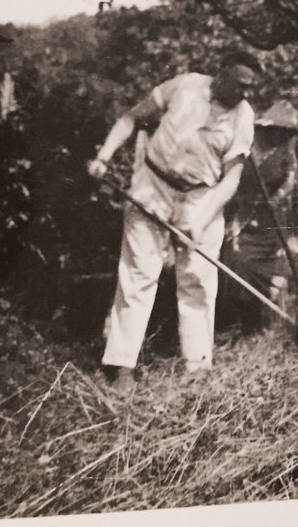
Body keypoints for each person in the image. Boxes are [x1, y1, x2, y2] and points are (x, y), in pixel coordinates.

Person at [87, 52, 261, 390]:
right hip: (153, 187)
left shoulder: (243, 117)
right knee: (139, 273)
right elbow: (132, 117)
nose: (246, 93)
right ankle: (121, 366)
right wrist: (104, 156)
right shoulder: (184, 86)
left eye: (251, 88)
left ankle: (197, 370)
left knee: (197, 280)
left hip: (203, 197)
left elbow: (230, 181)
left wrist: (199, 218)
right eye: (241, 85)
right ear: (221, 73)